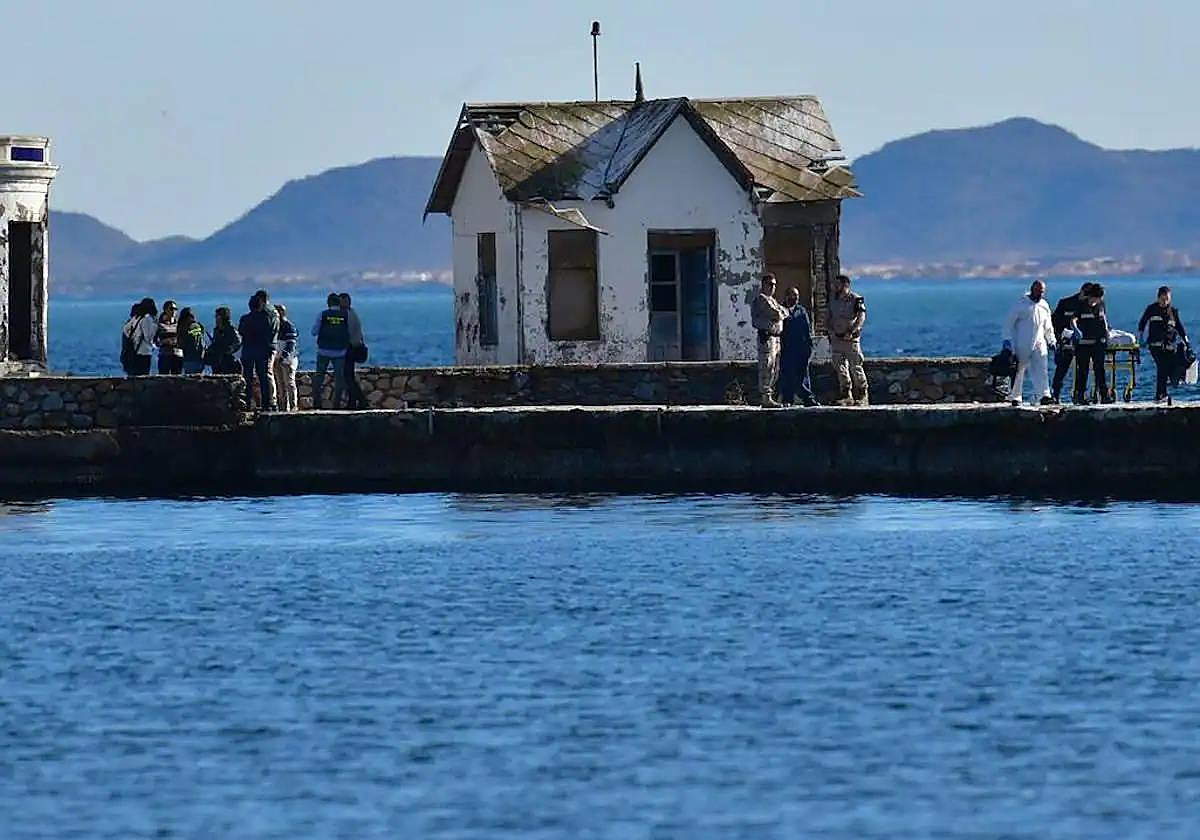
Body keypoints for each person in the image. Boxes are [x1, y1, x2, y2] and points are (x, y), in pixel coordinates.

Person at [1003, 279, 1056, 406]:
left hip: (1039, 342)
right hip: (1022, 342)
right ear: (1032, 290)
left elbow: (1048, 326)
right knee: (1019, 369)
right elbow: (1008, 324)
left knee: (1041, 369)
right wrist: (1007, 341)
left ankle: (1044, 395)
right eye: (1038, 291)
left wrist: (1051, 340)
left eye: (1042, 292)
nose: (1040, 294)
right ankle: (1016, 396)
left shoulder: (1044, 305)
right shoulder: (1021, 304)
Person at [1139, 286, 1189, 402]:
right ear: (1158, 298)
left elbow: (1180, 328)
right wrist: (1141, 338)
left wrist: (1187, 342)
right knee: (1162, 367)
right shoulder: (1151, 309)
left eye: (1167, 299)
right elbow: (1142, 323)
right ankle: (1160, 395)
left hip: (1169, 345)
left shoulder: (1173, 312)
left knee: (1172, 366)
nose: (1165, 301)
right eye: (1163, 299)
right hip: (1155, 345)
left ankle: (1168, 388)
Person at [828, 274, 869, 406]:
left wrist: (852, 330)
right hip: (837, 339)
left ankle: (862, 395)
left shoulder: (856, 299)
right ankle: (846, 395)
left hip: (850, 340)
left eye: (838, 284)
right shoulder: (833, 299)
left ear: (845, 285)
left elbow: (861, 317)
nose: (835, 286)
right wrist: (830, 330)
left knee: (855, 366)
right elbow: (829, 316)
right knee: (840, 367)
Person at [750, 273, 789, 408]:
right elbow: (777, 313)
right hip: (767, 337)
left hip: (776, 338)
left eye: (774, 285)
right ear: (764, 285)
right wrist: (779, 314)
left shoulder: (772, 300)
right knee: (767, 367)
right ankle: (766, 397)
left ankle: (770, 396)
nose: (773, 287)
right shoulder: (761, 299)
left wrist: (781, 313)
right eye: (770, 284)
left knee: (775, 368)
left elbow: (785, 312)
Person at [1049, 282, 1092, 403]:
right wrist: (1059, 338)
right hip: (1066, 341)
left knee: (1082, 369)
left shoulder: (1091, 305)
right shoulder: (1066, 303)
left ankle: (1080, 395)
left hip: (1083, 343)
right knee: (1062, 369)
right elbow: (1055, 322)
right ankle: (1056, 394)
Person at [238, 293, 279, 411]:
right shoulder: (267, 317)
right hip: (263, 350)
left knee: (247, 378)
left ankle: (247, 403)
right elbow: (270, 332)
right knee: (263, 378)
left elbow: (241, 331)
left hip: (248, 350)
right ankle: (266, 404)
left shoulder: (245, 319)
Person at [778, 287, 817, 407]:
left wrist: (809, 347)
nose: (795, 298)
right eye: (793, 295)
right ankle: (787, 399)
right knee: (787, 374)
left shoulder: (801, 311)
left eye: (797, 296)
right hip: (787, 348)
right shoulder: (780, 310)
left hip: (801, 347)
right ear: (787, 296)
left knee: (803, 374)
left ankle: (808, 399)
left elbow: (807, 330)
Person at [1073, 283, 1111, 405]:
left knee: (1100, 369)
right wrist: (1076, 330)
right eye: (1096, 298)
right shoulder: (1081, 305)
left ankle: (1104, 396)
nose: (1097, 301)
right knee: (1083, 370)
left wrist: (1106, 332)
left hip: (1098, 343)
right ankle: (1080, 396)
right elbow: (1073, 319)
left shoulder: (1101, 305)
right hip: (1083, 344)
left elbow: (1103, 318)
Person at [311, 293, 348, 410]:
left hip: (323, 350)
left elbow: (314, 332)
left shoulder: (322, 315)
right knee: (339, 379)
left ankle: (317, 404)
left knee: (319, 378)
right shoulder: (346, 315)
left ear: (328, 303)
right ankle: (336, 405)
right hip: (340, 351)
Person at [339, 292, 367, 410]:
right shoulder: (352, 313)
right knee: (349, 377)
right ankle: (356, 401)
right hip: (352, 348)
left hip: (350, 349)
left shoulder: (348, 315)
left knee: (348, 377)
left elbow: (349, 333)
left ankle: (357, 401)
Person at [121, 298, 159, 376]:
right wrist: (156, 326)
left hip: (132, 352)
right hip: (143, 353)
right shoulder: (146, 319)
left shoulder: (134, 319)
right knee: (143, 377)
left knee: (133, 376)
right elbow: (148, 337)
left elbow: (126, 331)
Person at [273, 303, 300, 412]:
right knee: (280, 385)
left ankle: (293, 407)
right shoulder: (274, 326)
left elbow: (291, 345)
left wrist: (282, 357)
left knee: (289, 383)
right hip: (277, 359)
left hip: (288, 360)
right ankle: (283, 407)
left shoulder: (289, 326)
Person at [206, 306, 242, 374]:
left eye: (217, 316)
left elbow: (238, 342)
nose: (215, 318)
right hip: (217, 361)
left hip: (228, 362)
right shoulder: (216, 330)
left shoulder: (231, 329)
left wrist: (231, 349)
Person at [155, 299, 184, 375]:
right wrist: (164, 341)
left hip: (178, 355)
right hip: (165, 355)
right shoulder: (159, 325)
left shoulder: (179, 324)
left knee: (177, 377)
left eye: (175, 309)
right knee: (163, 377)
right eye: (171, 309)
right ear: (165, 310)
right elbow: (155, 341)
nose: (173, 311)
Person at [177, 307, 208, 375]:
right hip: (200, 356)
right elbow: (202, 338)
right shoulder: (199, 325)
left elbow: (180, 343)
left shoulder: (183, 327)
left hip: (189, 357)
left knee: (191, 378)